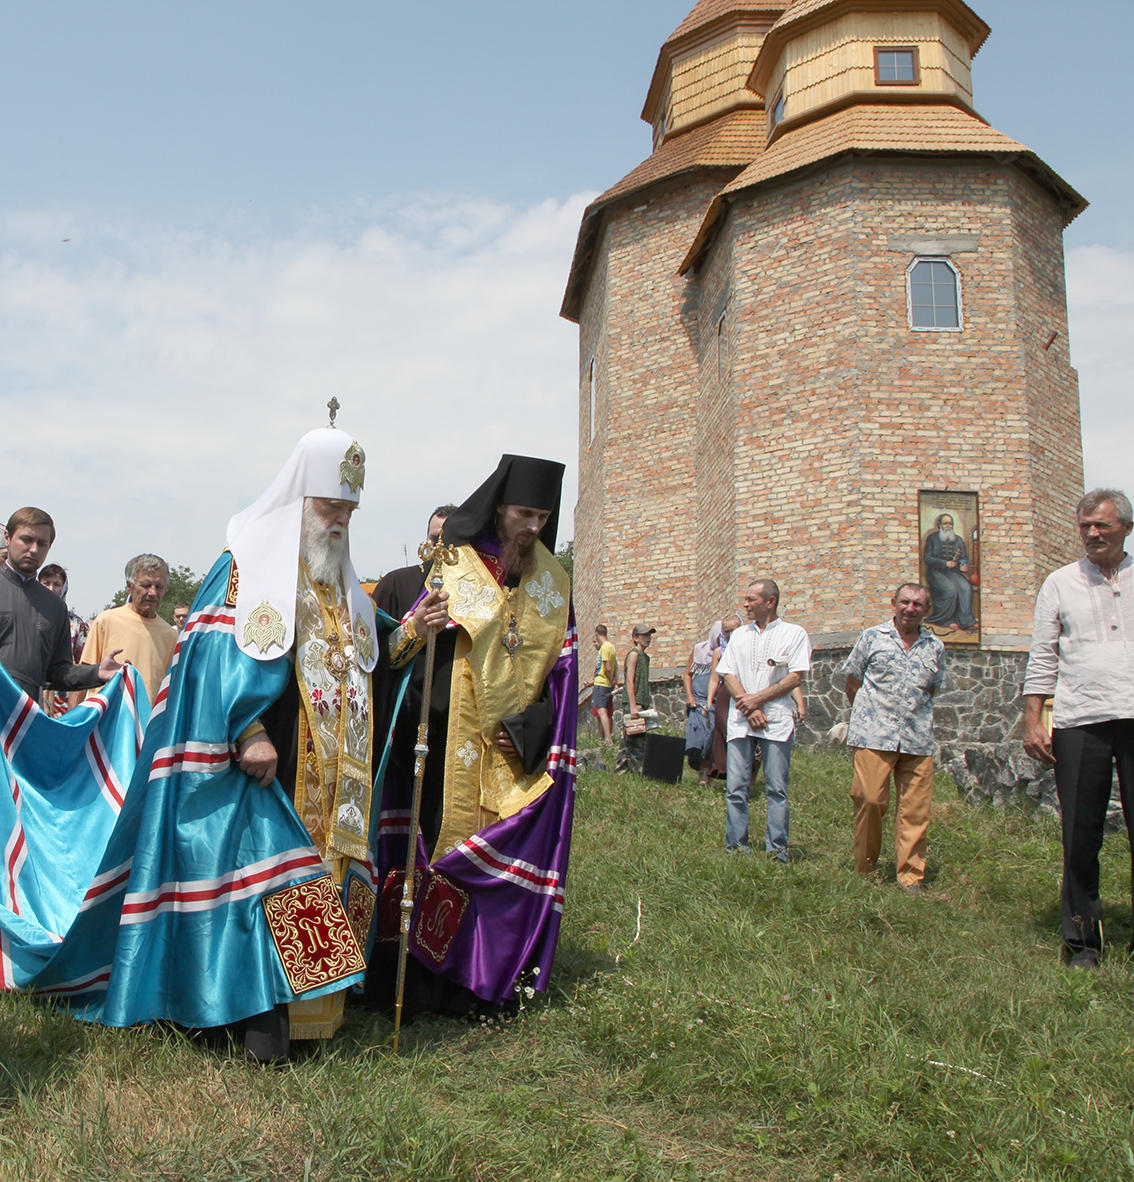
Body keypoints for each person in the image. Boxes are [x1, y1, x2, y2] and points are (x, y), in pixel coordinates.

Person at [32, 425, 446, 1062]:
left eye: (349, 512)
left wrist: (413, 629)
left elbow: (372, 658)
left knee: (322, 876)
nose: (339, 523)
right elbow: (207, 657)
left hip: (338, 772)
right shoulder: (245, 565)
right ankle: (252, 1020)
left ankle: (318, 1016)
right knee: (272, 880)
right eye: (330, 508)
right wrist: (246, 730)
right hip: (263, 762)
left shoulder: (342, 584)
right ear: (301, 500)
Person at [366, 455, 577, 1020]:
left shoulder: (555, 584)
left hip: (511, 754)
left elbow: (562, 675)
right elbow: (393, 649)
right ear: (500, 510)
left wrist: (534, 734)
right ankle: (417, 982)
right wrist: (418, 627)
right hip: (439, 747)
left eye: (542, 516)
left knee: (492, 870)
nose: (532, 526)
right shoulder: (453, 565)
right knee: (432, 856)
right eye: (523, 513)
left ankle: (478, 982)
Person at [1023, 488, 1134, 969]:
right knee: (1080, 833)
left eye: (1102, 525)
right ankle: (1083, 943)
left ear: (1126, 528)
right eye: (1085, 525)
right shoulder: (1060, 582)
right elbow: (1043, 654)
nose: (1091, 534)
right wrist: (1033, 719)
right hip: (1079, 719)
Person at [843, 583, 945, 894]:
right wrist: (866, 718)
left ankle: (910, 876)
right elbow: (852, 682)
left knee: (915, 812)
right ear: (894, 604)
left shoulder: (935, 647)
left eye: (918, 604)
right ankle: (867, 868)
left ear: (926, 610)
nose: (910, 608)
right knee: (871, 801)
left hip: (917, 739)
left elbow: (933, 688)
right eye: (905, 602)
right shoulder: (872, 637)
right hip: (874, 736)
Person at [716, 579, 811, 858]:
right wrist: (750, 707)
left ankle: (777, 849)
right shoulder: (741, 636)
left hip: (777, 720)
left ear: (770, 602)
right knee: (735, 787)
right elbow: (728, 673)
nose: (745, 605)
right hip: (742, 719)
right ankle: (736, 846)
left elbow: (795, 676)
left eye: (751, 600)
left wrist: (759, 700)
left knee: (776, 788)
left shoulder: (794, 634)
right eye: (745, 599)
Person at [0, 508, 122, 700]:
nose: (33, 549)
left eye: (42, 543)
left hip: (23, 721)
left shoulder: (55, 607)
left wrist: (97, 672)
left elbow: (57, 673)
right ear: (7, 537)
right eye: (26, 540)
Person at [77, 555, 178, 708]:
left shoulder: (170, 635)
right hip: (106, 722)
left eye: (159, 586)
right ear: (129, 586)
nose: (152, 592)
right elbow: (82, 676)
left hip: (146, 726)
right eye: (146, 585)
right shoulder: (106, 621)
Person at [705, 614, 743, 783]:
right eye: (727, 631)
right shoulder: (718, 652)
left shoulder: (749, 646)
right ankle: (727, 772)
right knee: (724, 730)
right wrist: (708, 701)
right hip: (725, 694)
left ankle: (747, 774)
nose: (731, 634)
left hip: (745, 692)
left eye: (734, 630)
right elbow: (714, 678)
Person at [924, 513, 977, 632]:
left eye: (950, 523)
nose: (948, 526)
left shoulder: (958, 540)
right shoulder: (932, 538)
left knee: (966, 587)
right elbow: (927, 559)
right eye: (945, 523)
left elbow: (964, 557)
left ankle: (966, 621)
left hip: (954, 573)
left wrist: (965, 566)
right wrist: (944, 563)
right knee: (949, 588)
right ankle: (945, 620)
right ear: (940, 525)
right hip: (936, 572)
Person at [615, 624, 656, 775]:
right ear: (635, 638)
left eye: (649, 635)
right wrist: (633, 706)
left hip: (641, 702)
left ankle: (619, 772)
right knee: (638, 741)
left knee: (628, 739)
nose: (648, 638)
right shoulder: (634, 654)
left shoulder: (645, 657)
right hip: (634, 703)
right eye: (644, 635)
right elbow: (629, 681)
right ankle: (640, 773)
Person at [683, 630, 714, 782]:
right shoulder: (699, 650)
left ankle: (710, 775)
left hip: (716, 703)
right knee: (700, 739)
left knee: (712, 739)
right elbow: (687, 674)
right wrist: (690, 696)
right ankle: (703, 776)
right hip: (699, 701)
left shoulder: (730, 651)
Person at [585, 624, 617, 746]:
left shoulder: (604, 647)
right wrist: (615, 681)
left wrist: (610, 679)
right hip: (607, 684)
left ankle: (608, 739)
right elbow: (616, 666)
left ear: (597, 634)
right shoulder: (612, 647)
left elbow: (607, 667)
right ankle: (607, 738)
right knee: (607, 711)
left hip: (602, 683)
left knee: (601, 710)